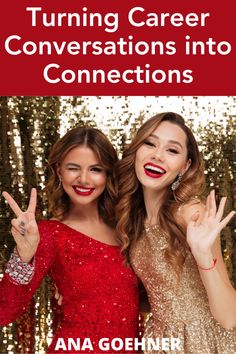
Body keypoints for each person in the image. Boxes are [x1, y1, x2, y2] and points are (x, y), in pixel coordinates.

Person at [0, 126, 139, 353]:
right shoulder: (50, 234)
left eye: (95, 169)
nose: (84, 179)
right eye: (73, 168)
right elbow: (4, 312)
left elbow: (138, 300)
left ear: (108, 173)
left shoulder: (125, 227)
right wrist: (23, 256)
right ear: (58, 170)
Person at [116, 112, 236, 353]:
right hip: (159, 341)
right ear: (136, 151)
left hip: (203, 342)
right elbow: (163, 295)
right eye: (150, 143)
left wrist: (203, 255)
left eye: (172, 151)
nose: (157, 155)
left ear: (185, 166)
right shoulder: (132, 218)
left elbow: (230, 317)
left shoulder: (191, 214)